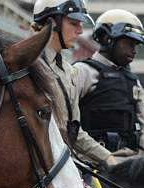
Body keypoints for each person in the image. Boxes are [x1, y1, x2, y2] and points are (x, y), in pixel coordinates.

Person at [31, 0, 117, 168]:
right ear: (52, 22)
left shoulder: (71, 72)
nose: (80, 31)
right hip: (38, 169)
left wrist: (108, 158)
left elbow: (75, 133)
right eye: (74, 23)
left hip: (67, 163)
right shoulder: (27, 67)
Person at [75, 9, 144, 160]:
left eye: (136, 45)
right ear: (106, 38)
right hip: (88, 165)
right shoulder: (83, 71)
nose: (134, 50)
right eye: (129, 43)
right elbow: (66, 123)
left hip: (127, 166)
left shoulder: (132, 81)